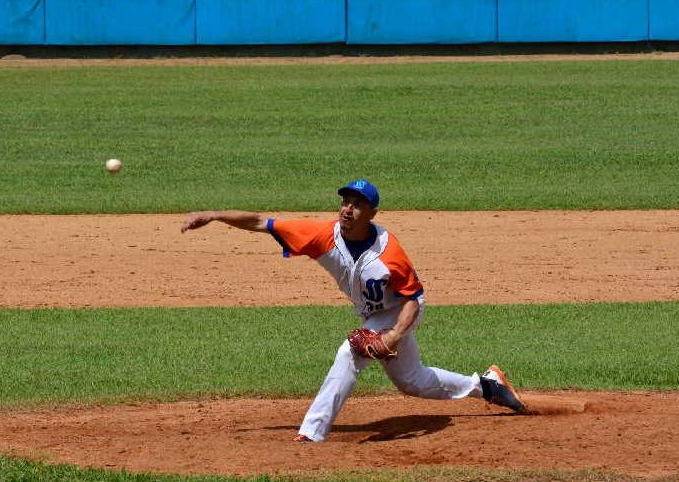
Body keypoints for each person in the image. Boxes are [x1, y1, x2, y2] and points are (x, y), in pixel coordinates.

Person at [181, 179, 526, 443]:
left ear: (372, 213)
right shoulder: (320, 235)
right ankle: (487, 386)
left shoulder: (389, 252)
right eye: (346, 202)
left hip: (401, 311)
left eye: (357, 204)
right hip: (377, 316)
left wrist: (392, 334)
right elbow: (260, 222)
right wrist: (213, 216)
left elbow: (412, 299)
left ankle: (312, 432)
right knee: (412, 381)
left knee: (349, 353)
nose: (347, 209)